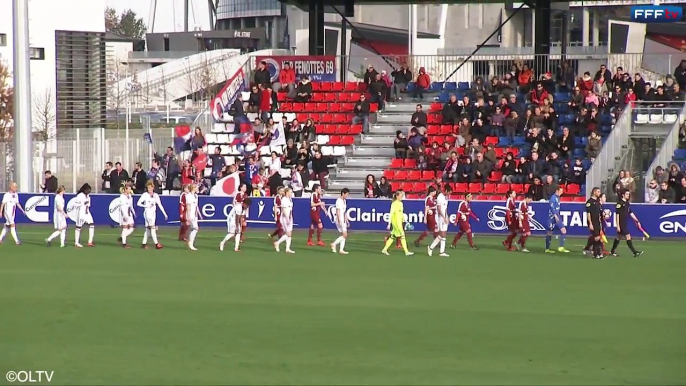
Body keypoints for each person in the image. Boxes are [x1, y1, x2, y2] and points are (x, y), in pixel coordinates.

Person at [610, 190, 644, 257]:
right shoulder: (619, 204)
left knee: (618, 237)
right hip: (621, 224)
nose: (628, 195)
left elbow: (630, 213)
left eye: (628, 194)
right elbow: (617, 215)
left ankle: (612, 251)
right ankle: (635, 252)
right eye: (627, 194)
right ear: (623, 195)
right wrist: (618, 225)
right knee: (628, 236)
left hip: (624, 223)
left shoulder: (627, 203)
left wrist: (637, 221)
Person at [382, 190, 414, 256]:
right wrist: (389, 223)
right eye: (400, 196)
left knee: (392, 236)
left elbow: (401, 213)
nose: (401, 197)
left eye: (402, 196)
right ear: (397, 196)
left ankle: (384, 250)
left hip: (399, 222)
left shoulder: (401, 203)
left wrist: (405, 220)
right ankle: (406, 252)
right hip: (396, 223)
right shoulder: (394, 204)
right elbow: (391, 214)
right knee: (402, 236)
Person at [137, 181, 168, 249]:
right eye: (148, 188)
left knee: (148, 229)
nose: (149, 190)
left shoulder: (156, 195)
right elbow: (138, 203)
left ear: (153, 188)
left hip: (153, 214)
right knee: (152, 228)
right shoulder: (145, 195)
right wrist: (146, 205)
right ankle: (156, 244)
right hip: (147, 214)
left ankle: (143, 244)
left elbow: (160, 205)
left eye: (151, 188)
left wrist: (165, 214)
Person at [428, 184, 452, 257]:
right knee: (442, 234)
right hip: (439, 217)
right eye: (449, 192)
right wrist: (444, 217)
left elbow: (445, 209)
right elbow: (439, 209)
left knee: (444, 234)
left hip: (444, 216)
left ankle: (441, 251)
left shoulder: (446, 198)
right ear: (446, 191)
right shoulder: (440, 197)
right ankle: (431, 247)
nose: (449, 194)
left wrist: (447, 216)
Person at [545, 186, 570, 254]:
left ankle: (561, 247)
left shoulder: (558, 197)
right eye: (561, 191)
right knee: (550, 232)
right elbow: (552, 208)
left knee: (563, 230)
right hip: (552, 217)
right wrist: (555, 216)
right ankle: (547, 248)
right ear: (557, 191)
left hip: (557, 216)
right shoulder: (553, 198)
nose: (561, 193)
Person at [274, 187, 295, 253]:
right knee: (288, 233)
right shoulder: (284, 199)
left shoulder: (289, 199)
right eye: (290, 192)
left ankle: (287, 248)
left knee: (290, 233)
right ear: (287, 192)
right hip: (285, 217)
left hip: (290, 216)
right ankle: (277, 243)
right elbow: (284, 209)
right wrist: (287, 218)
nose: (291, 193)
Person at [585, 187, 604, 259]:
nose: (599, 193)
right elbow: (588, 213)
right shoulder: (589, 202)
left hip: (597, 221)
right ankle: (596, 253)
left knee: (598, 237)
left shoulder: (598, 202)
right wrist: (590, 223)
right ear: (594, 192)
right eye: (598, 192)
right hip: (592, 222)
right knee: (596, 237)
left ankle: (596, 253)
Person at [74, 183, 94, 248]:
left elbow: (88, 205)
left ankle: (90, 241)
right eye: (88, 190)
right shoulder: (80, 195)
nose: (89, 191)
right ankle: (76, 242)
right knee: (79, 227)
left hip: (87, 212)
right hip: (81, 213)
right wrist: (83, 203)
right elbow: (76, 204)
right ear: (85, 190)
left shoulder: (88, 196)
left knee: (91, 225)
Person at [331, 188, 350, 254]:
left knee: (343, 234)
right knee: (345, 234)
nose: (347, 196)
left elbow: (344, 211)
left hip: (343, 219)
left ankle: (341, 250)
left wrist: (346, 219)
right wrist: (339, 219)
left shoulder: (344, 201)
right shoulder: (339, 201)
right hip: (340, 219)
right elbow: (338, 210)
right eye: (346, 194)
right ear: (343, 194)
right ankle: (334, 244)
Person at [185, 184, 202, 251]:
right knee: (195, 228)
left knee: (194, 229)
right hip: (190, 214)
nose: (197, 188)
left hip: (194, 215)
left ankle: (190, 242)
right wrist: (188, 217)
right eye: (196, 187)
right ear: (193, 188)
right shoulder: (189, 196)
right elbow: (188, 206)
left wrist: (199, 214)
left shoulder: (196, 196)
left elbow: (196, 206)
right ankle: (190, 243)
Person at [118, 184, 136, 248]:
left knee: (132, 228)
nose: (130, 190)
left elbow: (131, 206)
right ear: (125, 189)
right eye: (128, 189)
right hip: (124, 214)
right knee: (125, 228)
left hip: (129, 214)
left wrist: (133, 212)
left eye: (130, 189)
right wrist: (125, 216)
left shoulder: (130, 196)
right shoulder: (122, 197)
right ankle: (124, 243)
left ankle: (122, 237)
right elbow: (122, 207)